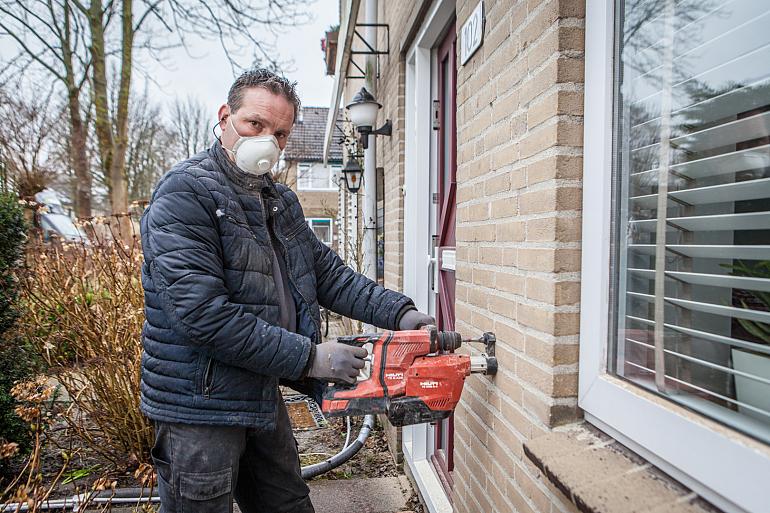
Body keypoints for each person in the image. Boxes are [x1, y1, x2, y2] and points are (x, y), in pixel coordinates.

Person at [139, 68, 434, 513]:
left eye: (279, 134)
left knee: (288, 503)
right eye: (254, 125)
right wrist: (310, 358)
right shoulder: (185, 194)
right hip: (198, 406)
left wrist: (401, 313)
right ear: (224, 117)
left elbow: (327, 274)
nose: (267, 141)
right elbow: (203, 315)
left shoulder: (278, 199)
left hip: (257, 389)